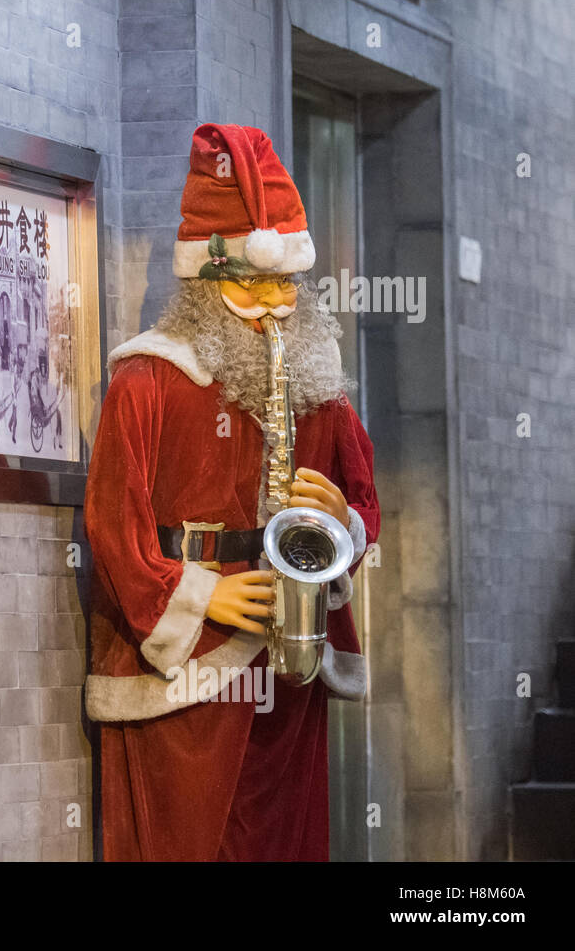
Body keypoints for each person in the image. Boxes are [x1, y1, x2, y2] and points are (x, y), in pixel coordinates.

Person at [84, 123, 381, 861]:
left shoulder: (321, 388)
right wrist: (195, 596)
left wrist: (343, 526)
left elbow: (365, 504)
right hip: (183, 664)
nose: (279, 305)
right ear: (207, 282)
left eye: (288, 283)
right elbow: (112, 525)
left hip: (289, 657)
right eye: (256, 284)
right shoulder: (146, 379)